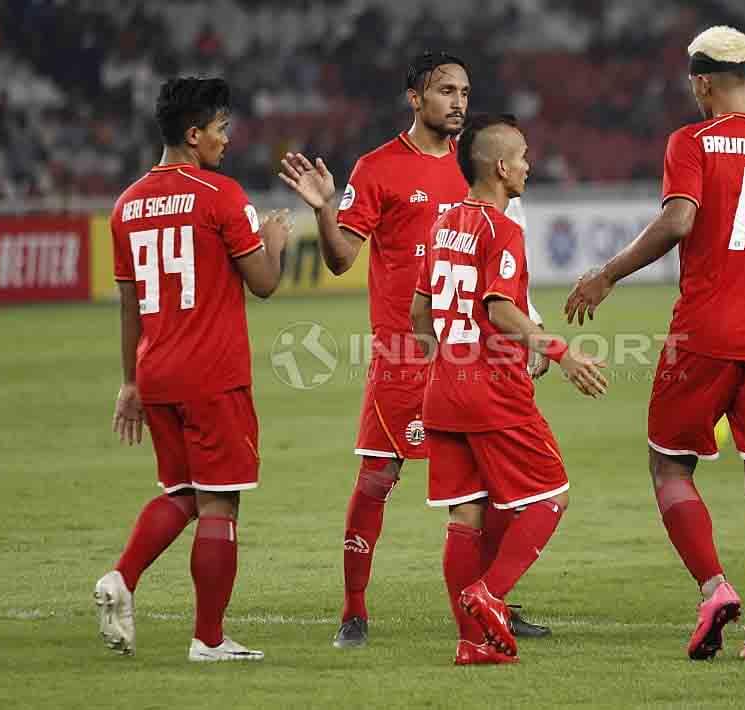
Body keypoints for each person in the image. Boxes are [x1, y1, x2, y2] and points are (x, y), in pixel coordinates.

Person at [279, 52, 549, 648]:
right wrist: (325, 210)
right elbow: (341, 258)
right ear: (414, 98)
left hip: (475, 359)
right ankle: (354, 611)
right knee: (378, 477)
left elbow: (504, 266)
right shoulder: (379, 169)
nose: (457, 100)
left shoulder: (481, 168)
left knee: (500, 486)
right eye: (445, 89)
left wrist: (528, 325)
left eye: (464, 90)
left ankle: (491, 603)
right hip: (404, 358)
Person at [565, 26, 745, 665]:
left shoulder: (693, 140)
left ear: (701, 82)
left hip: (706, 330)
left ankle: (714, 585)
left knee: (670, 465)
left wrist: (606, 274)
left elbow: (679, 220)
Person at [95, 77, 290, 662]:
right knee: (219, 501)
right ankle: (208, 638)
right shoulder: (222, 196)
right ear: (193, 133)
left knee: (182, 492)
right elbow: (263, 284)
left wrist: (130, 382)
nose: (227, 140)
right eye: (221, 129)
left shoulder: (126, 205)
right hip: (213, 375)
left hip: (157, 375)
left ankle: (122, 577)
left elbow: (130, 303)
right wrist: (276, 239)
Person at [410, 114, 607, 665]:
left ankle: (472, 644)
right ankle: (489, 595)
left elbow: (419, 313)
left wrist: (447, 359)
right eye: (521, 156)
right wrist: (558, 350)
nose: (528, 164)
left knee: (465, 515)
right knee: (551, 496)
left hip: (445, 389)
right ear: (500, 167)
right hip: (492, 389)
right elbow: (499, 306)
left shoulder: (444, 221)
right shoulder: (504, 229)